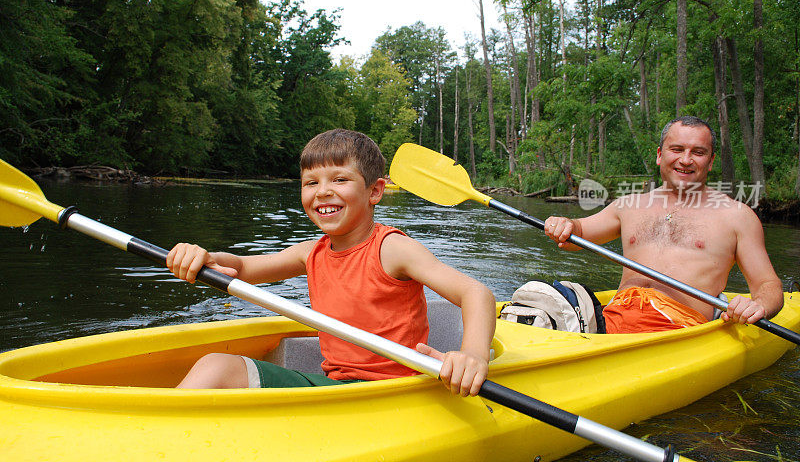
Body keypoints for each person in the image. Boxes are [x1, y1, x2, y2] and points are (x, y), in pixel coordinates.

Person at [166, 129, 496, 396]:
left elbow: (476, 294)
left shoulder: (392, 248)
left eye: (339, 180)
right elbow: (240, 269)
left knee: (216, 368)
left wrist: (472, 356)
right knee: (215, 366)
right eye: (312, 182)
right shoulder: (310, 252)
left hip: (391, 392)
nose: (323, 191)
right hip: (338, 387)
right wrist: (205, 258)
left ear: (375, 191)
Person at [544, 116, 783, 334]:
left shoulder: (737, 216)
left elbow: (768, 284)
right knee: (537, 298)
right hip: (614, 320)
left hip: (677, 328)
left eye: (698, 152)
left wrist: (758, 304)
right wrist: (565, 224)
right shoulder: (629, 205)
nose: (686, 160)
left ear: (710, 162)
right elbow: (580, 234)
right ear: (660, 154)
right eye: (677, 149)